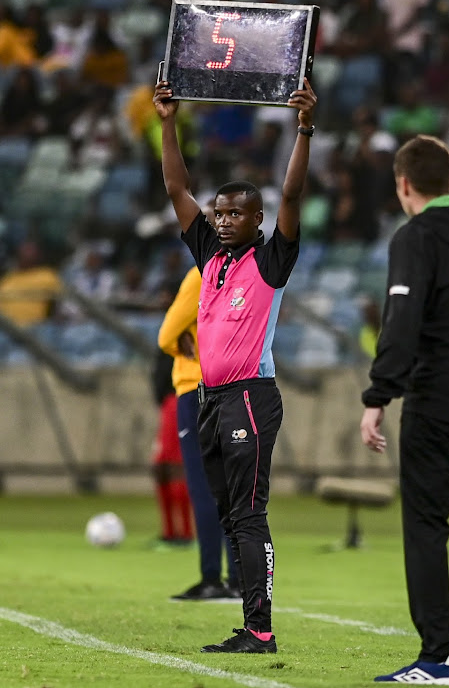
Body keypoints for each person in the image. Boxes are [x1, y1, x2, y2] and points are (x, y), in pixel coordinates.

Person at [153, 76, 317, 653]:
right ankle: (250, 624)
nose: (222, 220)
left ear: (257, 220)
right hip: (211, 398)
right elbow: (176, 184)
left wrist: (302, 129)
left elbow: (293, 197)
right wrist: (168, 122)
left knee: (248, 513)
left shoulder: (272, 260)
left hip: (251, 394)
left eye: (235, 214)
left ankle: (261, 629)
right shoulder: (208, 256)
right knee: (229, 513)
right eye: (219, 212)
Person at [360, 135, 449, 685]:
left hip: (438, 401)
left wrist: (378, 396)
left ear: (403, 184)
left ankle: (438, 658)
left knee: (426, 525)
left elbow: (402, 321)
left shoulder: (414, 238)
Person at [157, 217, 241, 600]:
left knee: (204, 488)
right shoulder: (242, 273)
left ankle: (211, 578)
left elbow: (165, 334)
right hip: (232, 387)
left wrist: (178, 346)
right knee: (233, 488)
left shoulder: (199, 274)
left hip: (195, 388)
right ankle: (240, 580)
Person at [150, 347, 193, 546]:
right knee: (161, 469)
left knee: (176, 467)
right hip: (168, 404)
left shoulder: (183, 331)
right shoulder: (170, 334)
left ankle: (184, 533)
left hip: (178, 400)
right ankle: (169, 532)